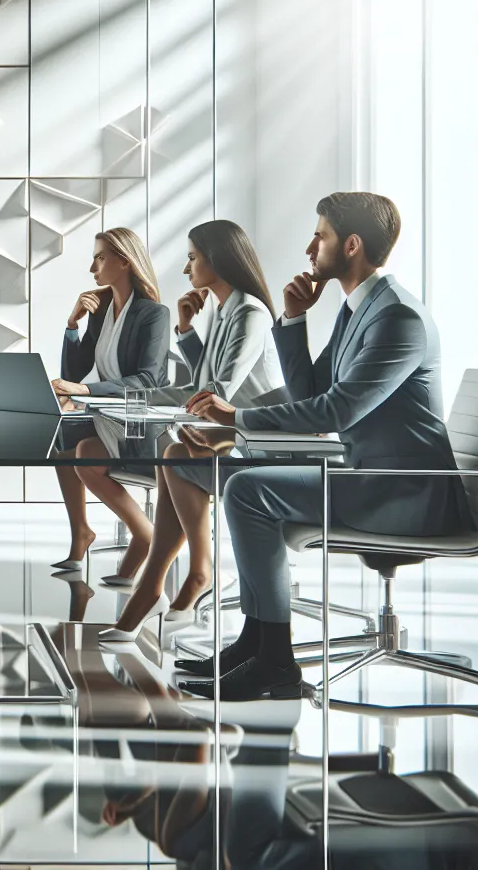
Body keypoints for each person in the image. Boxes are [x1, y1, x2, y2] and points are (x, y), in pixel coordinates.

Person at [176, 192, 465, 701]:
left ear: (351, 245)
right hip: (369, 474)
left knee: (247, 490)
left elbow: (338, 411)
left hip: (402, 491)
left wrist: (236, 415)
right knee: (242, 482)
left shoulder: (397, 318)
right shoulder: (361, 311)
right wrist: (293, 319)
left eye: (322, 235)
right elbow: (311, 392)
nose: (311, 247)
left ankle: (274, 659)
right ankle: (256, 643)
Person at [98, 220, 287, 642]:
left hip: (263, 445)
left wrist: (147, 404)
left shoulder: (251, 313)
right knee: (175, 457)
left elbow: (217, 393)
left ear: (217, 259)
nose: (187, 270)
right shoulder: (225, 310)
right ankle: (184, 578)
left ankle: (164, 584)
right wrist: (185, 330)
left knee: (176, 457)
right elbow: (204, 384)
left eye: (192, 258)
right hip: (233, 439)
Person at [46, 226, 172, 571]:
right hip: (108, 415)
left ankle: (144, 533)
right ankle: (81, 532)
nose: (93, 269)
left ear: (125, 261)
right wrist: (73, 324)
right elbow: (74, 372)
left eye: (100, 258)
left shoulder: (154, 314)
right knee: (62, 438)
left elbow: (148, 380)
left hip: (140, 424)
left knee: (83, 451)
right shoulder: (103, 312)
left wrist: (84, 392)